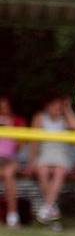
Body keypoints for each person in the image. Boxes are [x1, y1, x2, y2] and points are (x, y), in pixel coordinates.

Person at [29, 95, 75, 224]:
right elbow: (34, 142)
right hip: (44, 153)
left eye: (60, 105)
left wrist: (68, 109)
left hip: (62, 154)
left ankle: (47, 207)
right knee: (42, 171)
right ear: (47, 106)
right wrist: (32, 160)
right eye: (55, 104)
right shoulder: (40, 118)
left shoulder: (65, 119)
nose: (57, 107)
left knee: (59, 172)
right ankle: (51, 207)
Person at [0, 96, 26, 228]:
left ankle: (12, 216)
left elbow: (20, 146)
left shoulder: (17, 121)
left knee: (9, 175)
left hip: (12, 159)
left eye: (5, 106)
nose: (3, 109)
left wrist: (9, 127)